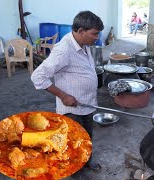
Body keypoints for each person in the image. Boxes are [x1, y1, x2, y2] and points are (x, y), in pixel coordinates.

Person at [31, 11, 104, 171]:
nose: (97, 37)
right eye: (95, 34)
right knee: (72, 142)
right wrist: (63, 95)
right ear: (80, 31)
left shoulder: (83, 44)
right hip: (72, 109)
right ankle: (73, 169)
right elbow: (38, 76)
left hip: (86, 104)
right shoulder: (64, 49)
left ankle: (85, 161)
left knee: (86, 138)